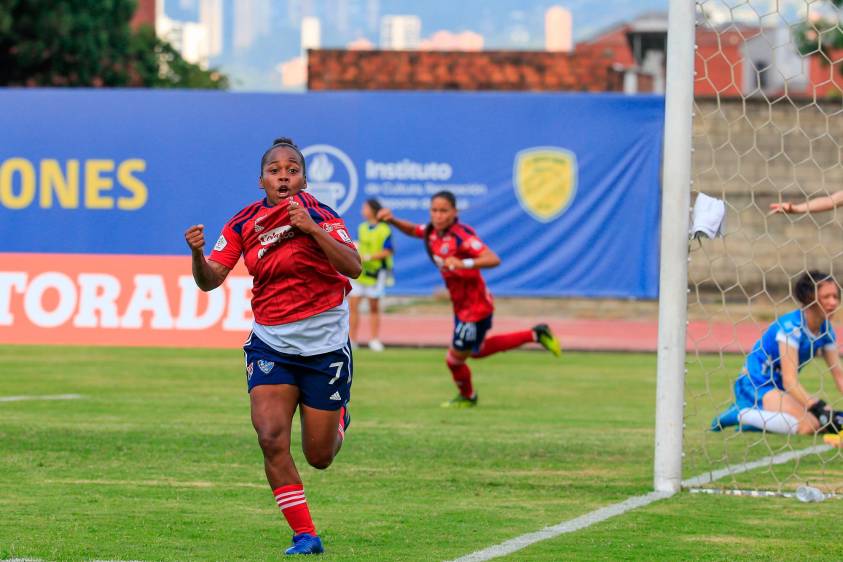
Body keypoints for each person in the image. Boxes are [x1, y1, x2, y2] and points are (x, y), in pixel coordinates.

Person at [184, 137, 361, 556]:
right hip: (272, 344)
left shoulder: (321, 214)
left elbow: (353, 266)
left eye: (293, 169)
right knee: (269, 437)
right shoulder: (243, 223)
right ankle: (305, 535)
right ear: (261, 179)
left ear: (303, 178)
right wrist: (196, 255)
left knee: (319, 456)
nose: (284, 175)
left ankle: (338, 419)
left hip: (325, 346)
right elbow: (210, 280)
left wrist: (311, 229)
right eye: (275, 170)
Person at [376, 190, 562, 408]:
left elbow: (493, 259)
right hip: (462, 306)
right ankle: (535, 334)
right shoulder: (432, 232)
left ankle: (468, 397)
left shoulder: (462, 237)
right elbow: (413, 229)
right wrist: (393, 220)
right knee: (477, 350)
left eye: (443, 211)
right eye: (434, 210)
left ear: (454, 212)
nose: (438, 215)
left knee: (454, 360)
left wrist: (464, 263)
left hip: (474, 308)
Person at [712, 271, 843, 435]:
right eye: (826, 297)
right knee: (808, 426)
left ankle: (755, 423)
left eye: (836, 297)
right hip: (757, 384)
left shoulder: (826, 331)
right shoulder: (791, 327)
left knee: (825, 422)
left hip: (780, 389)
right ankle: (739, 414)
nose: (833, 303)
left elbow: (839, 376)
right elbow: (790, 381)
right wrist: (816, 405)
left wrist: (821, 410)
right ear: (810, 298)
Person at [349, 198, 394, 352]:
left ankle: (374, 339)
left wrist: (369, 257)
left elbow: (388, 250)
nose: (363, 210)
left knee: (373, 307)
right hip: (360, 274)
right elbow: (356, 245)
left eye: (365, 207)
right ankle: (352, 340)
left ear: (373, 210)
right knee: (353, 306)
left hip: (376, 274)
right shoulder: (361, 228)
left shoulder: (384, 229)